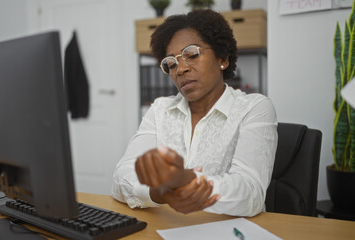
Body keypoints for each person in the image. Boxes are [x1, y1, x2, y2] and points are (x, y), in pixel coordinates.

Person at [111, 9, 277, 217]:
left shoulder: (254, 108)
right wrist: (159, 191)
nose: (180, 69)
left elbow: (250, 192)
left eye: (191, 54)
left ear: (222, 58)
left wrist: (185, 182)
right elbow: (121, 177)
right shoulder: (160, 110)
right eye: (170, 64)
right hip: (170, 228)